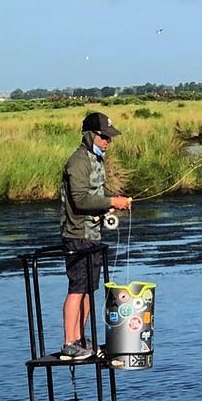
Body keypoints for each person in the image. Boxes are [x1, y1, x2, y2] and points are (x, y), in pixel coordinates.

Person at [59, 111, 131, 360]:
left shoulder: (95, 160)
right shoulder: (78, 161)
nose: (108, 142)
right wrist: (112, 200)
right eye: (104, 137)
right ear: (91, 135)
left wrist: (110, 204)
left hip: (93, 234)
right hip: (77, 234)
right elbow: (79, 200)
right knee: (77, 288)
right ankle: (69, 342)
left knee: (90, 289)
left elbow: (95, 195)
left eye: (110, 138)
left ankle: (80, 337)